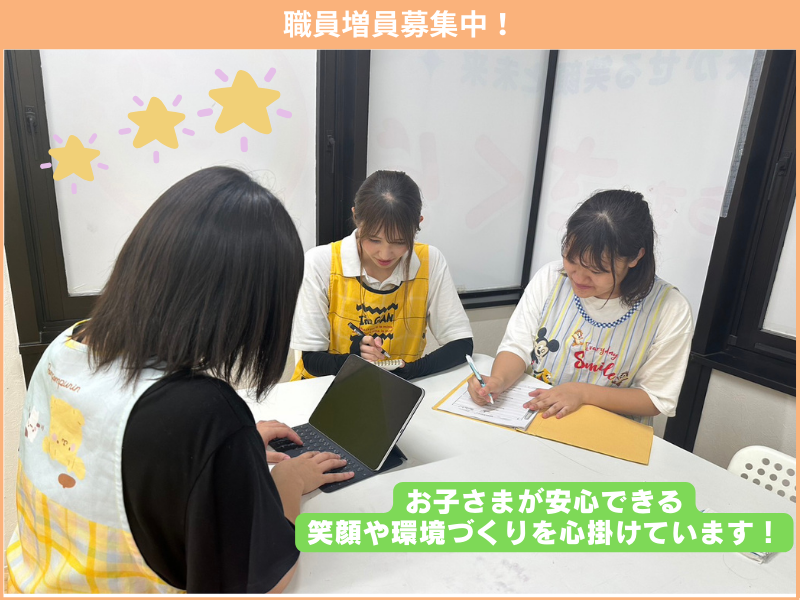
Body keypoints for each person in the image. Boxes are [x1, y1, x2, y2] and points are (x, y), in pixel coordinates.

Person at [6, 167, 353, 594]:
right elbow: (263, 581)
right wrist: (289, 482)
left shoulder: (64, 347)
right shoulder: (202, 416)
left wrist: (231, 452)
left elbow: (120, 455)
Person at [468, 190, 693, 426]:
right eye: (571, 260)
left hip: (606, 431)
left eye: (596, 270)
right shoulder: (551, 278)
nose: (578, 277)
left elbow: (655, 398)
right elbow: (518, 346)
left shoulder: (669, 308)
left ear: (635, 258)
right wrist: (499, 380)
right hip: (535, 419)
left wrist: (582, 393)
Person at [291, 170, 473, 381]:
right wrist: (353, 359)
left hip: (397, 387)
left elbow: (461, 344)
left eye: (399, 242)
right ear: (356, 217)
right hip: (324, 387)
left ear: (418, 223)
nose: (385, 254)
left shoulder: (429, 261)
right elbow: (312, 361)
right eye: (374, 240)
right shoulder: (321, 263)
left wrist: (411, 369)